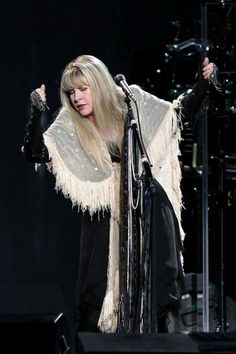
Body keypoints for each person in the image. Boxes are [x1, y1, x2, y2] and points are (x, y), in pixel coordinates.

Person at [23, 55, 218, 336]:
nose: (76, 98)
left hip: (147, 206)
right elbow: (37, 152)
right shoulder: (69, 121)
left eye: (83, 89)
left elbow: (176, 116)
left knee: (157, 292)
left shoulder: (130, 101)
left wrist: (203, 83)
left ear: (99, 85)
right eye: (70, 92)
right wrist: (35, 113)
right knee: (96, 290)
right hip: (104, 214)